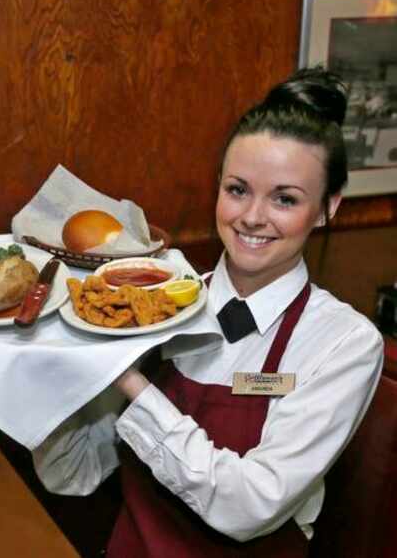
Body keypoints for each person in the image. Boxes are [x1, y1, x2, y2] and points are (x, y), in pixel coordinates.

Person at [32, 67, 384, 556]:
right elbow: (72, 474)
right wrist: (64, 364)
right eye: (238, 189)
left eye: (285, 198)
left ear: (328, 207)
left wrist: (133, 384)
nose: (252, 217)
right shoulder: (155, 307)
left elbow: (249, 508)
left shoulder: (345, 343)